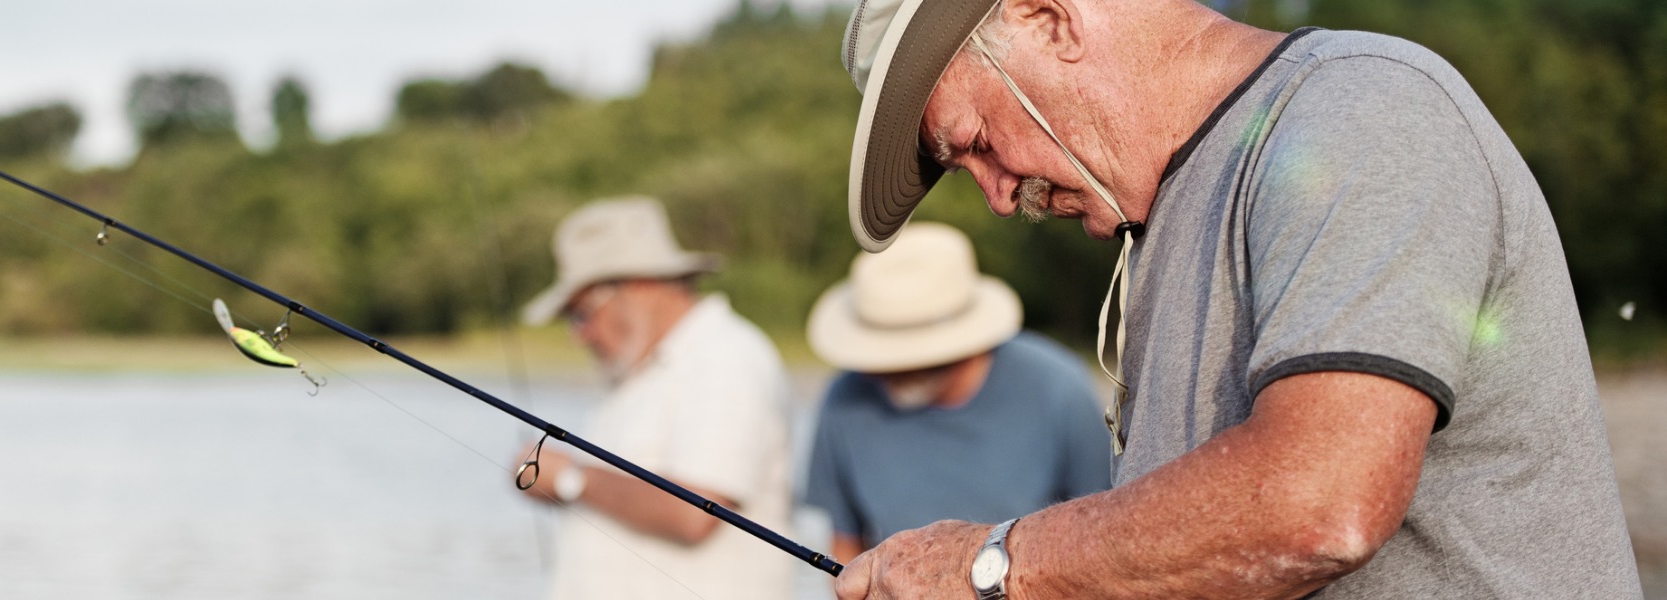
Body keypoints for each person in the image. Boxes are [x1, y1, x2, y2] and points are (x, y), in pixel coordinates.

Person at [831, 0, 1641, 598]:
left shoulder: (1359, 113)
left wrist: (992, 566)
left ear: (1049, 21)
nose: (999, 197)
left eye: (975, 142)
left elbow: (1319, 503)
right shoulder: (1158, 223)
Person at [511, 196, 794, 600]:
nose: (579, 334)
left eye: (581, 313)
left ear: (638, 286)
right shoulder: (636, 373)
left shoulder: (725, 356)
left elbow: (694, 511)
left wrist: (570, 479)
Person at [802, 221, 1111, 565]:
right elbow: (844, 543)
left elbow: (1102, 533)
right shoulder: (845, 399)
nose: (881, 371)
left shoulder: (1058, 389)